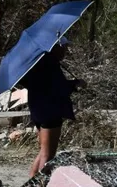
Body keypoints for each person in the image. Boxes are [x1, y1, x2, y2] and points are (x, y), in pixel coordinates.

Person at [19, 42, 85, 177]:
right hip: (50, 111)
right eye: (64, 48)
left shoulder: (36, 63)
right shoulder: (50, 65)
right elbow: (59, 88)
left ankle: (32, 181)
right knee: (48, 155)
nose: (65, 51)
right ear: (56, 47)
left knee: (43, 151)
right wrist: (76, 84)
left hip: (38, 110)